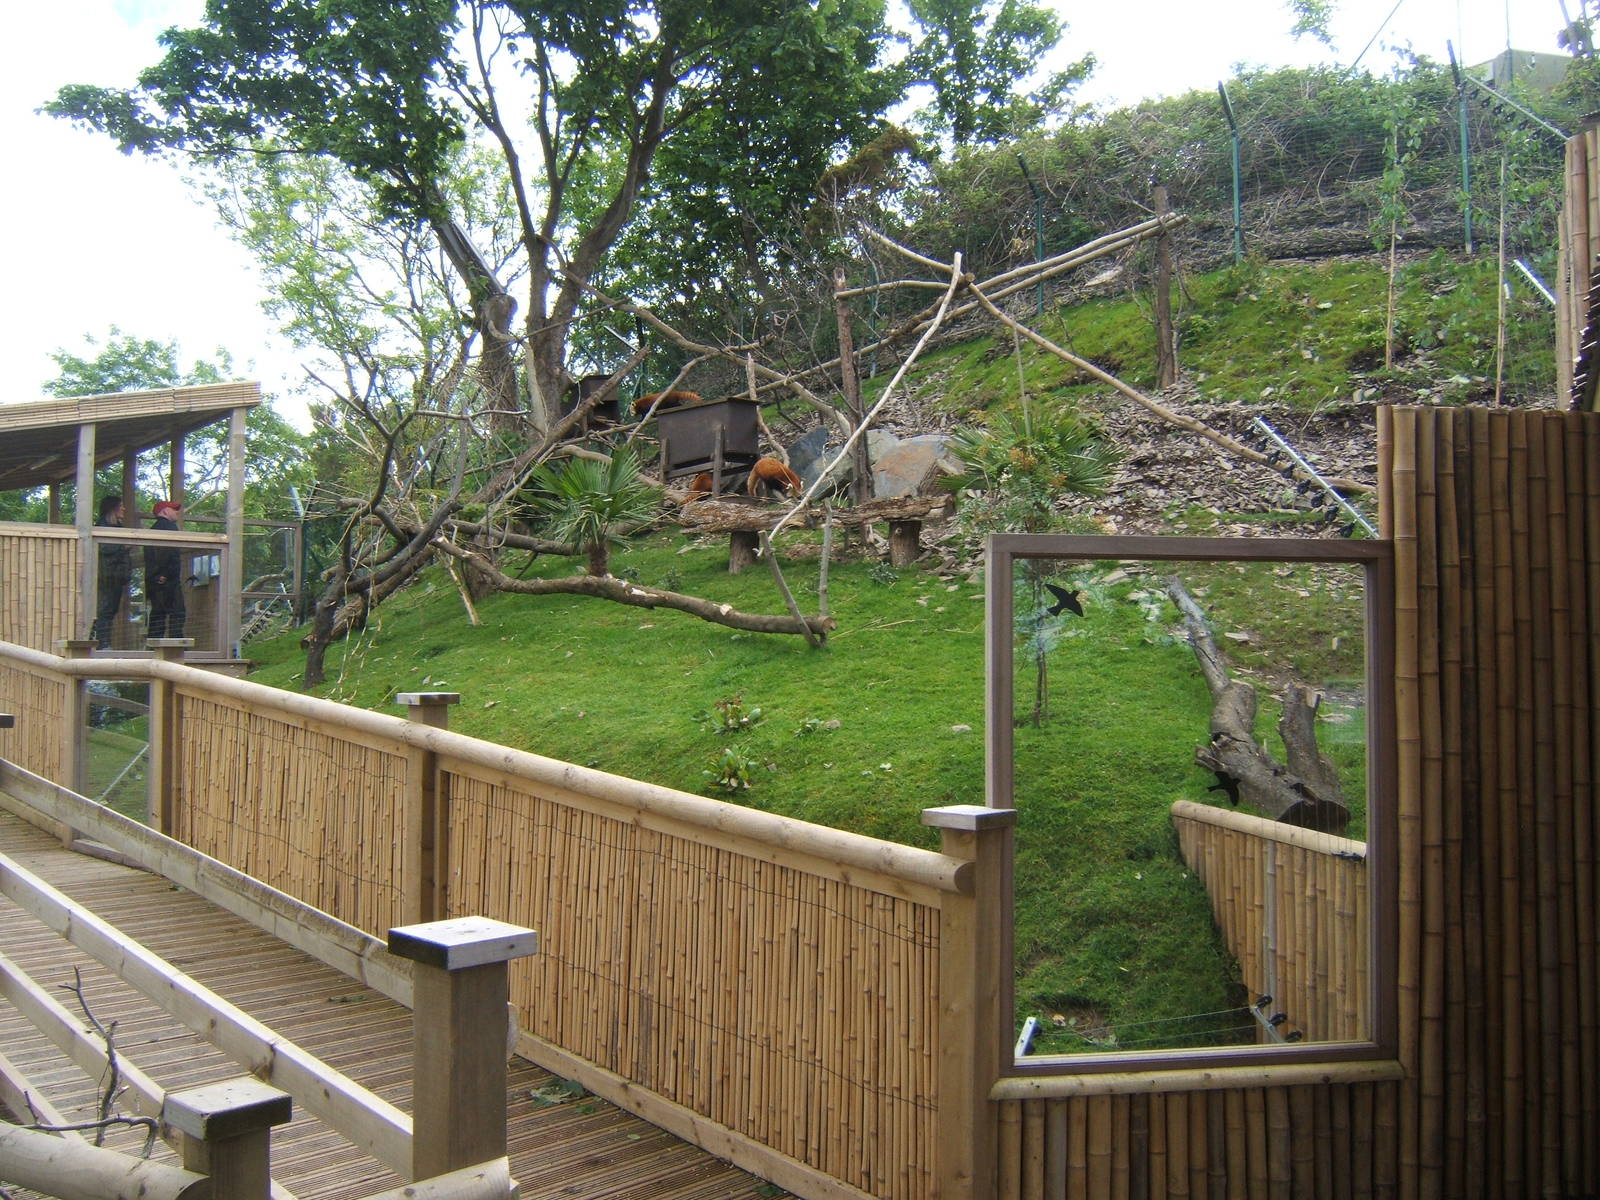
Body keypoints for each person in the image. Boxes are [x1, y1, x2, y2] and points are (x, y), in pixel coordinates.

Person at [91, 496, 133, 649]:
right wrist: (123, 547)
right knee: (104, 610)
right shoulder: (102, 526)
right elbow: (104, 548)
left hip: (116, 576)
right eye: (121, 506)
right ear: (112, 508)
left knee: (110, 610)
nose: (124, 509)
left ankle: (103, 643)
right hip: (105, 576)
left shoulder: (118, 527)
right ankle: (102, 644)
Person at [145, 500, 187, 640]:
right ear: (164, 511)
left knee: (158, 614)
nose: (176, 512)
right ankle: (175, 648)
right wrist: (165, 574)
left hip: (156, 579)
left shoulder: (153, 529)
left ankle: (153, 647)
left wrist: (156, 575)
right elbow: (168, 553)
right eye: (173, 509)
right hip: (167, 579)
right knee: (177, 612)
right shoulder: (168, 527)